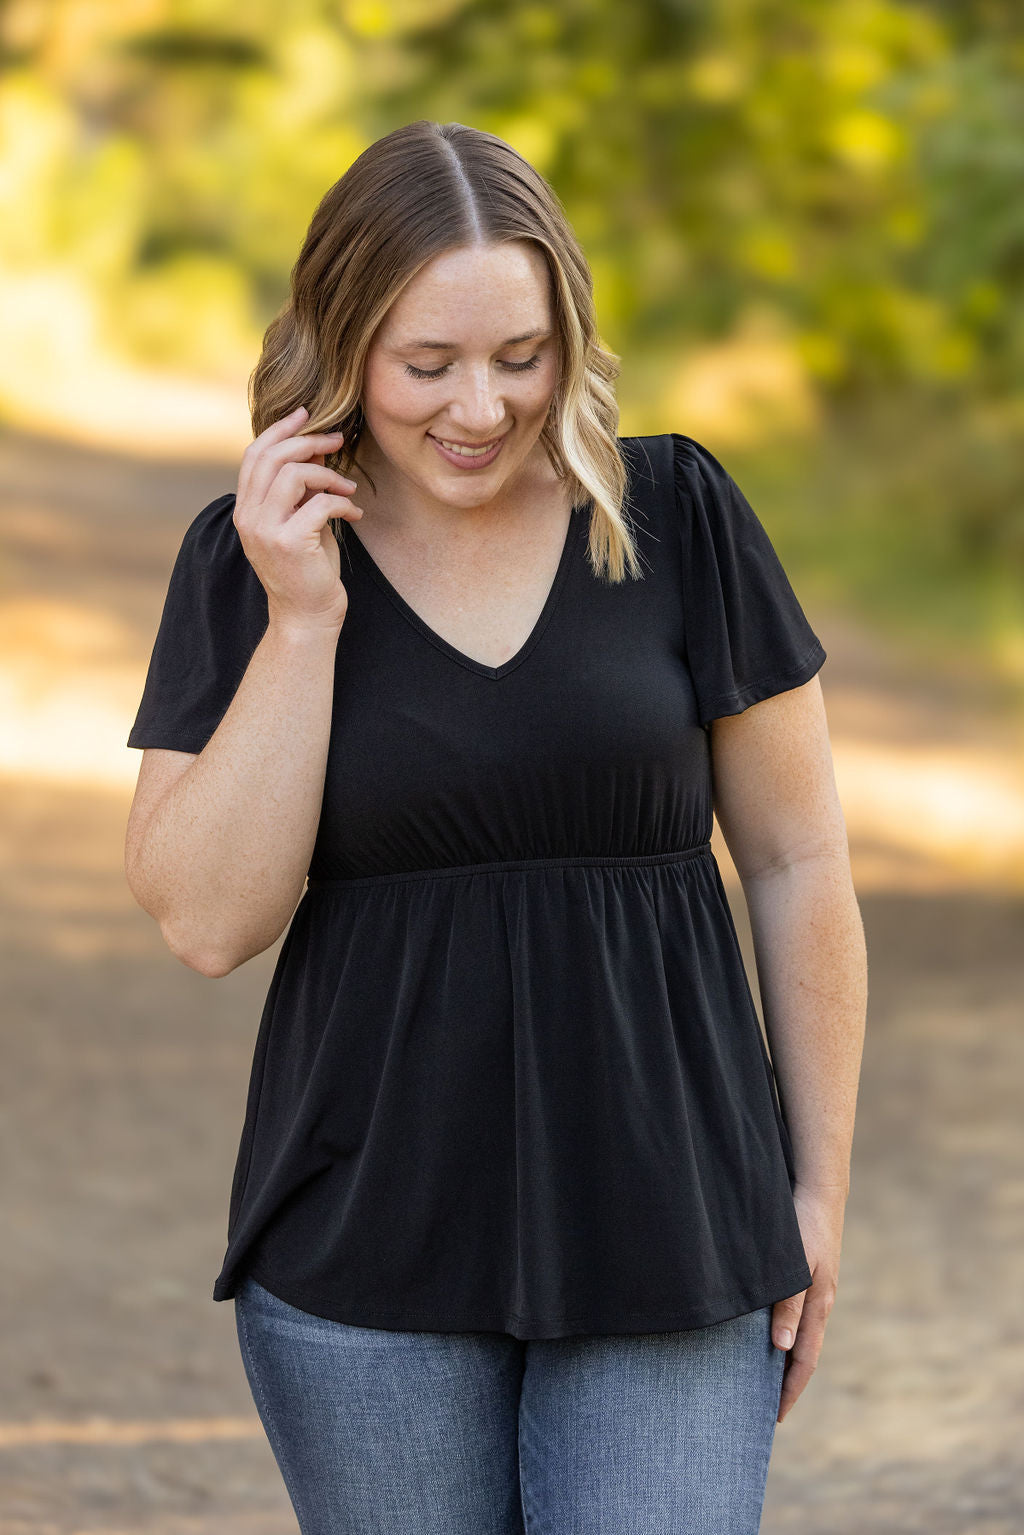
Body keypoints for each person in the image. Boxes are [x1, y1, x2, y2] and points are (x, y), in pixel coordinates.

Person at [124, 120, 867, 1535]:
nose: (481, 406)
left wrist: (816, 1191)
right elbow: (208, 921)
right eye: (428, 364)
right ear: (343, 344)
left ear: (567, 334)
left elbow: (797, 860)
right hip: (366, 1250)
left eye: (520, 357)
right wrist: (304, 618)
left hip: (678, 1219)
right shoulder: (253, 555)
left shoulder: (679, 514)